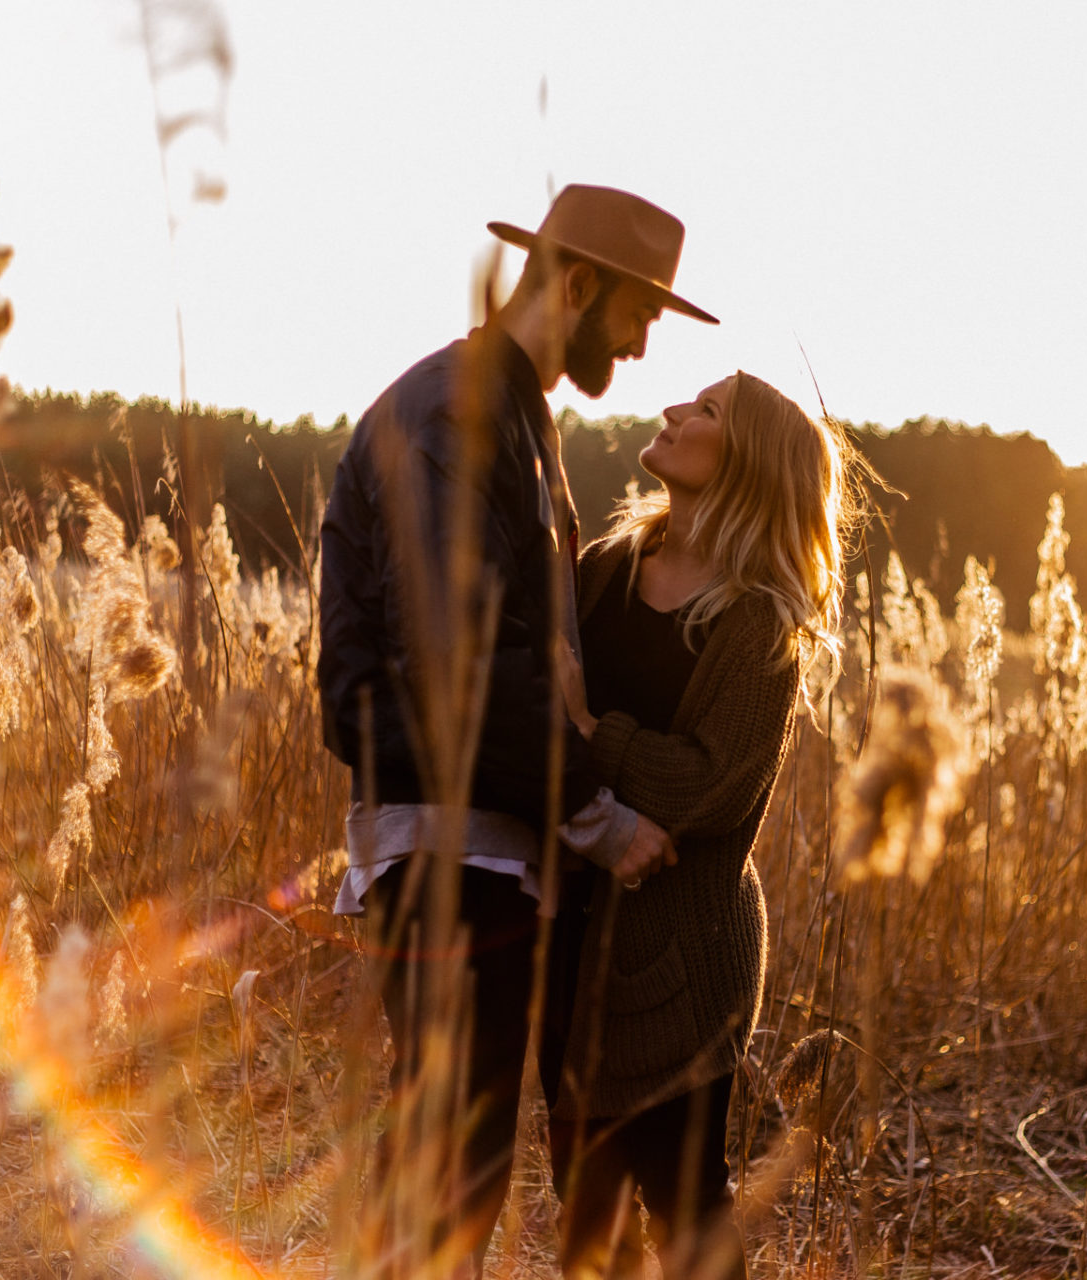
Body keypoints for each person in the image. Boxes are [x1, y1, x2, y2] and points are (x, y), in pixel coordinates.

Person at [317, 184, 717, 1278]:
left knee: (458, 1145)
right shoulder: (460, 412)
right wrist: (591, 810)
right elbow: (462, 654)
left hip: (487, 837)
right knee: (451, 1146)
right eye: (638, 314)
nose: (640, 348)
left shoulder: (518, 417)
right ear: (579, 285)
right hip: (451, 840)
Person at [542, 372, 861, 1280]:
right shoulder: (602, 571)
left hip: (683, 958)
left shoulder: (760, 624)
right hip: (569, 933)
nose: (674, 411)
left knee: (683, 1204)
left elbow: (699, 786)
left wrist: (592, 731)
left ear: (749, 465)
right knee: (581, 1197)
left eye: (707, 411)